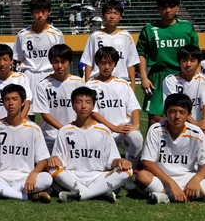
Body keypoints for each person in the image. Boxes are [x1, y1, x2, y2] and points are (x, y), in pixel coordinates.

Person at [136, 94, 205, 204]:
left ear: (189, 115)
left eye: (182, 112)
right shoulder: (155, 130)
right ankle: (197, 195)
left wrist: (196, 179)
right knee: (142, 176)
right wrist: (171, 183)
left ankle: (166, 196)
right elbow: (147, 162)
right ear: (165, 113)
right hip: (162, 179)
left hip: (187, 178)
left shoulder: (196, 132)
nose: (177, 116)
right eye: (172, 111)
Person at [48, 87, 132, 203]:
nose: (83, 106)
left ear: (93, 106)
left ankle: (80, 194)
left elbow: (111, 160)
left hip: (98, 177)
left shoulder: (103, 130)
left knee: (128, 170)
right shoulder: (64, 131)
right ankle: (100, 192)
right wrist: (54, 158)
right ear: (72, 106)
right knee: (50, 167)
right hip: (72, 176)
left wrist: (120, 161)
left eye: (88, 102)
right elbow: (58, 159)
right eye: (78, 102)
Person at [0, 84, 53, 202]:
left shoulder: (33, 128)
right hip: (1, 176)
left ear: (23, 102)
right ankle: (27, 195)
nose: (10, 103)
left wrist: (34, 173)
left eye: (14, 99)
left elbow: (43, 159)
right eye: (6, 100)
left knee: (47, 178)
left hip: (25, 177)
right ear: (3, 103)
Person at [137, 0, 199, 127]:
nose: (168, 10)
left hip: (183, 77)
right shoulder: (149, 29)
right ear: (158, 8)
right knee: (155, 120)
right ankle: (153, 142)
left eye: (172, 6)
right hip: (158, 77)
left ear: (178, 7)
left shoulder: (186, 27)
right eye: (164, 7)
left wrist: (198, 77)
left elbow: (195, 53)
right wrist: (143, 77)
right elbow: (140, 53)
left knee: (184, 117)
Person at [86, 47, 143, 175]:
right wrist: (113, 127)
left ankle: (128, 174)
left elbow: (133, 106)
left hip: (122, 130)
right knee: (103, 167)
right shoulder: (89, 86)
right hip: (101, 131)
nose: (106, 67)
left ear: (115, 64)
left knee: (137, 138)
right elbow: (92, 112)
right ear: (97, 63)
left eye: (110, 63)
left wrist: (135, 124)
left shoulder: (123, 84)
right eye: (103, 63)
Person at [13, 0, 65, 121]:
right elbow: (18, 59)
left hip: (50, 76)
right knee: (28, 113)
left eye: (43, 11)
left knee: (50, 112)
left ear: (49, 12)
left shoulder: (56, 34)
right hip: (29, 75)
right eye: (36, 12)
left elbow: (61, 58)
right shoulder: (22, 35)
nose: (40, 15)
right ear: (32, 13)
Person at [32, 44, 85, 152]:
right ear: (50, 62)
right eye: (56, 62)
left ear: (70, 62)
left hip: (75, 134)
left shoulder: (79, 82)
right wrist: (65, 129)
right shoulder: (42, 85)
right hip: (50, 137)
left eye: (63, 61)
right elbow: (45, 115)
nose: (60, 66)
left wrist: (75, 130)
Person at [81, 0, 140, 91]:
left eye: (116, 13)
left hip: (120, 84)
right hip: (98, 83)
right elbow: (88, 62)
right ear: (103, 15)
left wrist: (133, 86)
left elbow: (131, 63)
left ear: (120, 16)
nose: (112, 16)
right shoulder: (94, 36)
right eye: (108, 13)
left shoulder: (126, 37)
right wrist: (87, 85)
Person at [162, 45, 205, 146]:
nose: (188, 64)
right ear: (179, 63)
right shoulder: (170, 80)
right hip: (174, 126)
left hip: (195, 126)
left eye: (192, 60)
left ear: (199, 63)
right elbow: (176, 108)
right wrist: (198, 124)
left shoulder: (202, 79)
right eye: (184, 60)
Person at [0, 44, 31, 121]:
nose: (2, 63)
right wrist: (2, 124)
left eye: (5, 59)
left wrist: (19, 121)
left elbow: (27, 102)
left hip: (20, 123)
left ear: (11, 60)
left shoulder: (21, 78)